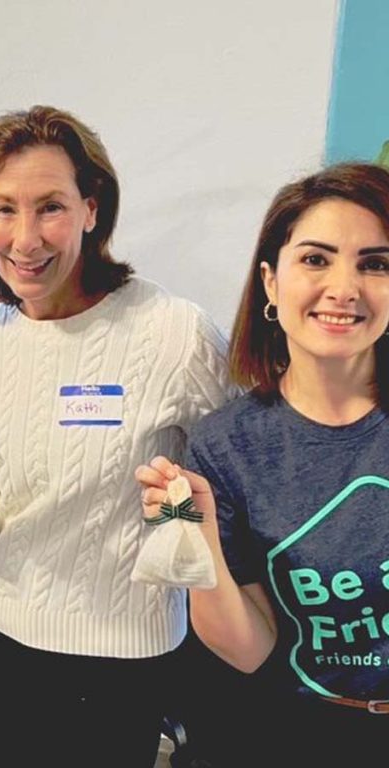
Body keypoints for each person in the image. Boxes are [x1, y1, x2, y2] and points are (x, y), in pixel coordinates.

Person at [0, 105, 233, 766]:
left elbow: (236, 486)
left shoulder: (173, 332)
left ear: (92, 209)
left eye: (50, 206)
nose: (25, 239)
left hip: (127, 653)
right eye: (4, 210)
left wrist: (182, 508)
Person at [137, 163, 389, 765]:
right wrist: (199, 542)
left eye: (375, 263)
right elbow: (250, 650)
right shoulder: (226, 446)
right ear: (271, 283)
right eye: (316, 259)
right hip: (294, 737)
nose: (345, 286)